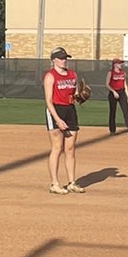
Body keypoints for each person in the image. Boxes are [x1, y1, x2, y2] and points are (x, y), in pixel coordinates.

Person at [42, 46, 82, 194]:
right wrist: (57, 120)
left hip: (70, 110)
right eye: (60, 58)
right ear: (53, 60)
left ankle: (72, 182)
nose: (64, 60)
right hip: (55, 110)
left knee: (70, 149)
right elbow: (48, 101)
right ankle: (54, 184)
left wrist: (81, 97)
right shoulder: (50, 76)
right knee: (57, 148)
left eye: (65, 58)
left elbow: (75, 95)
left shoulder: (73, 74)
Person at [106, 58, 128, 136]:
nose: (121, 65)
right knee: (112, 112)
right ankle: (112, 130)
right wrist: (114, 92)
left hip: (122, 92)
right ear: (115, 64)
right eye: (119, 63)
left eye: (121, 63)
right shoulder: (110, 73)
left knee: (126, 111)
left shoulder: (123, 73)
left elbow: (125, 85)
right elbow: (107, 84)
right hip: (113, 93)